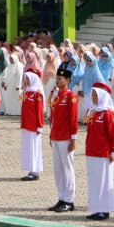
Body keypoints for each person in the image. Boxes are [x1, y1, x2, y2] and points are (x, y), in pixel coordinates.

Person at [85, 84, 114, 221]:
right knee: (94, 182)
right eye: (93, 95)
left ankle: (104, 210)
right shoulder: (92, 112)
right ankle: (96, 208)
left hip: (104, 153)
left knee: (104, 182)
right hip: (92, 151)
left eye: (96, 95)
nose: (94, 98)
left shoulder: (108, 114)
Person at [48, 68, 79, 213]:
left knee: (67, 169)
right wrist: (51, 135)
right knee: (58, 170)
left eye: (60, 79)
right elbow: (53, 117)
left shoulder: (71, 96)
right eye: (57, 78)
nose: (57, 80)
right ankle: (61, 197)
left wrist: (73, 139)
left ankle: (69, 200)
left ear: (67, 81)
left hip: (65, 138)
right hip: (55, 136)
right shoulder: (56, 95)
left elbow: (73, 119)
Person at [20, 70, 44, 181]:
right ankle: (30, 169)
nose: (27, 81)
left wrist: (40, 126)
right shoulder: (27, 91)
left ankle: (35, 172)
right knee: (28, 147)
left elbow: (39, 111)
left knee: (34, 147)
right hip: (26, 124)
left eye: (28, 79)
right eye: (26, 79)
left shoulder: (37, 94)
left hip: (34, 125)